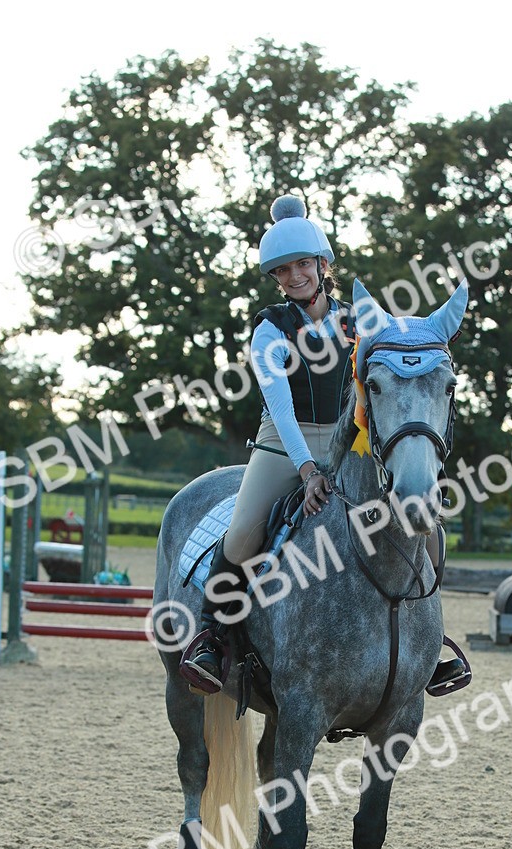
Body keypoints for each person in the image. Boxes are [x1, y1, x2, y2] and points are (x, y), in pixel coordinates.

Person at [181, 195, 355, 692]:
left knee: (420, 518)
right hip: (284, 440)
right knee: (241, 535)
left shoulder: (361, 318)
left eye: (303, 264)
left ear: (323, 265)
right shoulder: (269, 327)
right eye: (283, 269)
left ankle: (428, 639)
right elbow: (279, 405)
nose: (295, 275)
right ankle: (214, 637)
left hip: (350, 439)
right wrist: (306, 469)